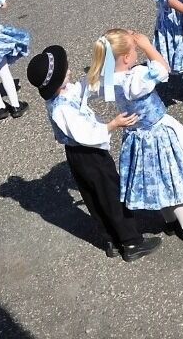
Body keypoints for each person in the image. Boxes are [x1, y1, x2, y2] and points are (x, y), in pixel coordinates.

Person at [29, 45, 161, 261]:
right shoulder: (62, 108)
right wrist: (112, 124)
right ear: (58, 81)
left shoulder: (60, 96)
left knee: (94, 197)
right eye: (66, 70)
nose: (69, 70)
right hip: (88, 154)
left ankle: (110, 238)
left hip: (77, 156)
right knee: (110, 194)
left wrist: (104, 64)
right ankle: (131, 241)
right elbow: (85, 135)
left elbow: (86, 87)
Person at [89, 29, 183, 242]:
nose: (138, 54)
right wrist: (147, 46)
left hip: (136, 137)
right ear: (127, 57)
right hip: (158, 132)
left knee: (156, 178)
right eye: (135, 51)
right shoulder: (136, 77)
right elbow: (163, 69)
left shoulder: (109, 79)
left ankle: (169, 222)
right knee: (173, 177)